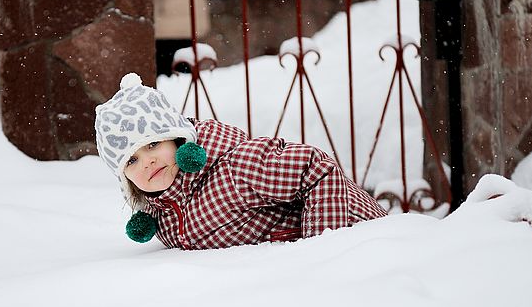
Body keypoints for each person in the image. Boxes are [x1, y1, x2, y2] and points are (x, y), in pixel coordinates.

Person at [95, 73, 388, 249]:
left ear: (178, 140)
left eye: (154, 144)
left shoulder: (237, 169)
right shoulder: (161, 215)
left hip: (364, 239)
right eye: (131, 160)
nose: (147, 162)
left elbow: (317, 168)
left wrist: (325, 249)